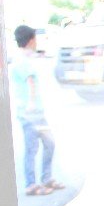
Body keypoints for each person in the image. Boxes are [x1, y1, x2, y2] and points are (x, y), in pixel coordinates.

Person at [10, 24, 64, 196]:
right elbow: (30, 81)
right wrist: (32, 103)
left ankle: (46, 178)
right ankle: (31, 184)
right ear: (31, 39)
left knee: (49, 144)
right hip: (29, 115)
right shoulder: (21, 60)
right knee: (31, 149)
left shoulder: (26, 58)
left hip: (36, 114)